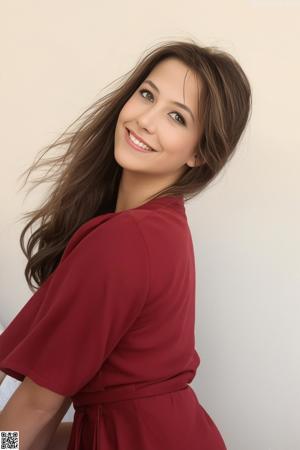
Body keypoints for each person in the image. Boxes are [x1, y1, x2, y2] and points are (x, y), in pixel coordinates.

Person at [0, 39, 252, 449]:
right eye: (147, 94)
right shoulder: (157, 228)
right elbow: (54, 405)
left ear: (201, 153)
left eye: (176, 116)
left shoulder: (126, 240)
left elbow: (36, 407)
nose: (146, 120)